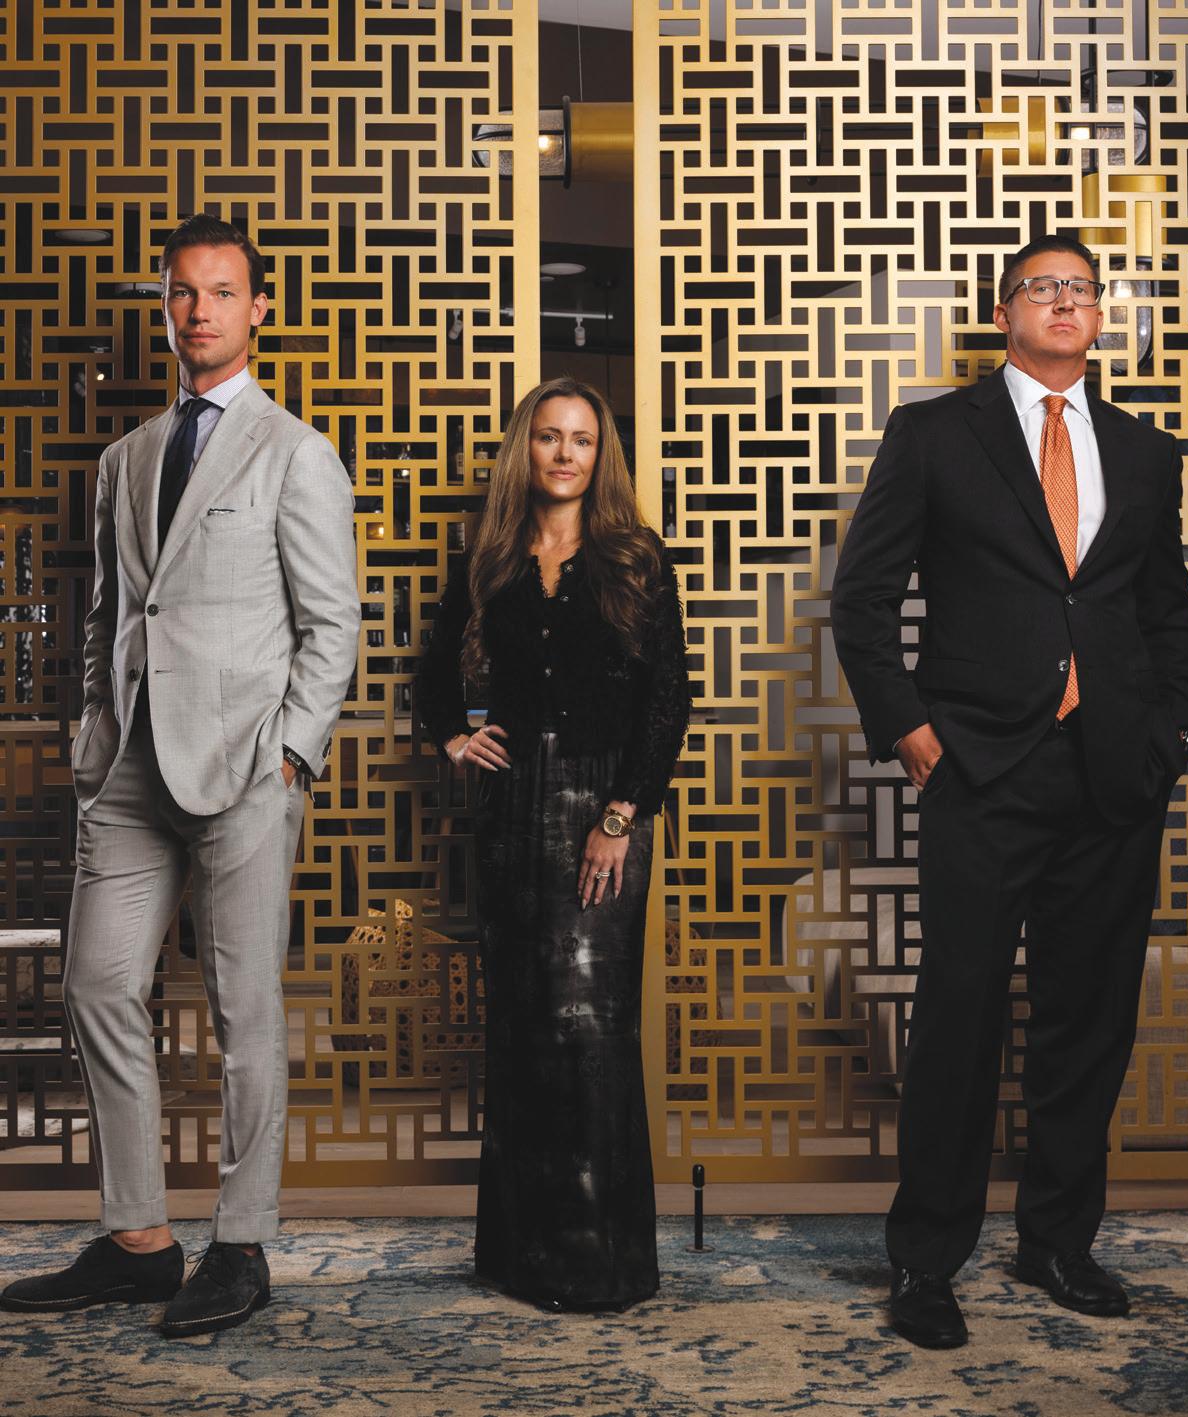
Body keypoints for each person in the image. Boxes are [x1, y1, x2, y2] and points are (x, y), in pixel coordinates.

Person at [830, 234, 1188, 1349]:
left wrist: (1172, 733)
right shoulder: (936, 433)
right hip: (981, 767)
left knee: (1090, 1021)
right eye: (1044, 287)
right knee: (961, 1015)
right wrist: (911, 733)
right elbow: (863, 598)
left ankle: (1058, 1242)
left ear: (1101, 316)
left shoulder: (1145, 451)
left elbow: (1167, 609)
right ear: (1005, 312)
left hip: (1115, 773)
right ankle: (926, 1259)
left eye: (1082, 289)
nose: (1065, 302)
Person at [1, 215, 360, 1337]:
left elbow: (333, 625)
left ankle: (241, 1243)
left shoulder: (295, 452)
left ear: (259, 309)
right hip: (128, 768)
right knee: (97, 982)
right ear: (165, 308)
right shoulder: (126, 459)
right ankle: (140, 1240)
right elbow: (115, 613)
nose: (200, 311)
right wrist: (92, 732)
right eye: (182, 293)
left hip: (247, 767)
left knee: (246, 1010)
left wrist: (291, 756)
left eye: (221, 291)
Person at [416, 376, 690, 1310]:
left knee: (591, 1029)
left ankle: (600, 1261)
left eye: (581, 438)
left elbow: (668, 700)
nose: (565, 453)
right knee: (523, 1022)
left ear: (600, 455)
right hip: (509, 810)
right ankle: (519, 1256)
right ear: (524, 449)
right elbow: (431, 673)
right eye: (548, 436)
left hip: (601, 803)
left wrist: (621, 816)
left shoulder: (635, 558)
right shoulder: (490, 556)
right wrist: (454, 737)